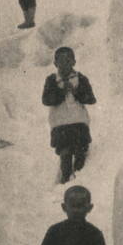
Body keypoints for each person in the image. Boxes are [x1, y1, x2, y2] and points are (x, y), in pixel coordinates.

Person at [42, 47, 97, 184]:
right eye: (60, 61)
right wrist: (61, 92)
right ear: (55, 63)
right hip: (60, 125)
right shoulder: (52, 80)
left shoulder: (80, 78)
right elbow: (46, 100)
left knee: (80, 152)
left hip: (79, 123)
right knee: (65, 153)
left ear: (74, 62)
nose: (64, 64)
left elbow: (91, 99)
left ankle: (79, 180)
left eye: (67, 60)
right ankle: (65, 180)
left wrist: (76, 91)